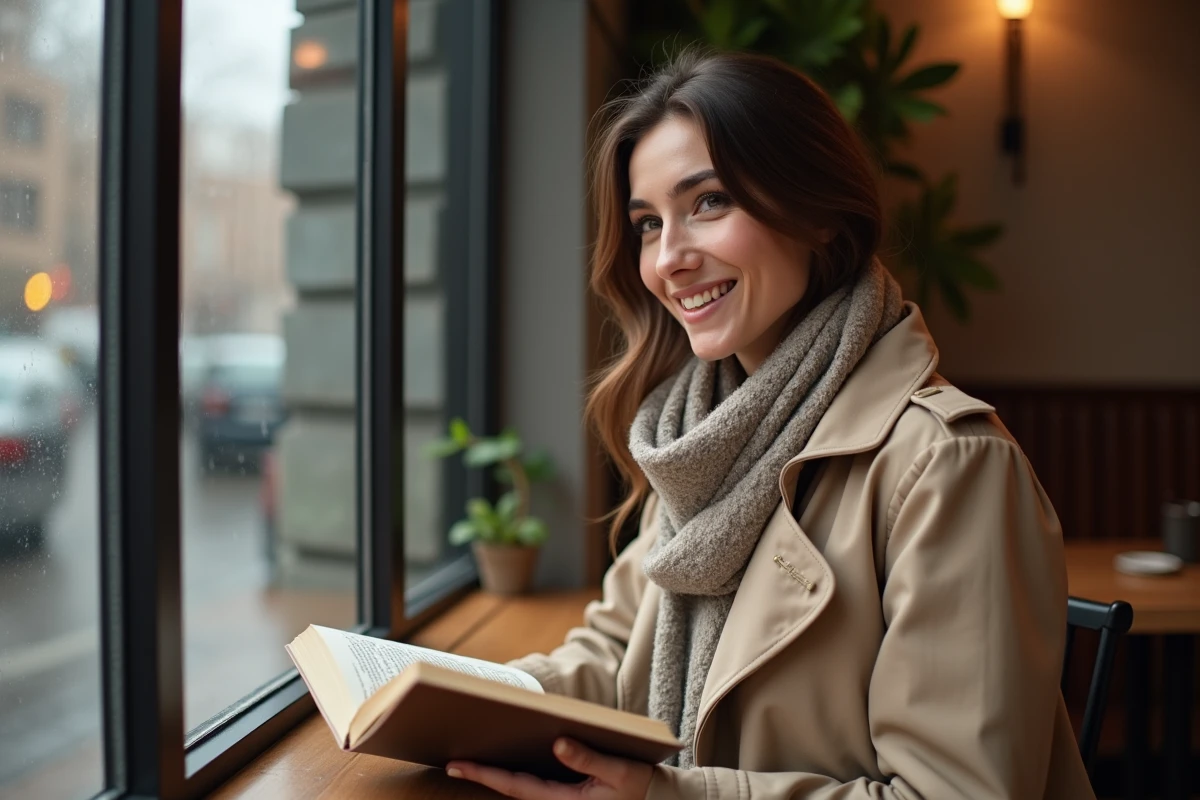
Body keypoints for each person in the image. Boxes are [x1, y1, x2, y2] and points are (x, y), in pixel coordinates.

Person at [446, 49, 1095, 799]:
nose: (669, 259)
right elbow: (619, 650)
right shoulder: (705, 437)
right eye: (649, 224)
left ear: (817, 211)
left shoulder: (949, 466)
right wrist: (457, 700)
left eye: (709, 202)